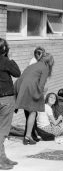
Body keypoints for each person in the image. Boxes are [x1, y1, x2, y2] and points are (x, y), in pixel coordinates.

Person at [15, 53, 54, 145]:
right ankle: (27, 137)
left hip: (20, 87)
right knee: (33, 112)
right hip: (30, 88)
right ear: (49, 62)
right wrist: (40, 94)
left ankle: (29, 136)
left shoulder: (33, 65)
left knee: (29, 112)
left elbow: (22, 77)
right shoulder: (45, 67)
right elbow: (41, 84)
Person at [0, 38, 21, 169]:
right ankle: (1, 161)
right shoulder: (5, 61)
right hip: (5, 99)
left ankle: (3, 157)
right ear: (4, 49)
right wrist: (9, 58)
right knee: (2, 131)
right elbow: (17, 73)